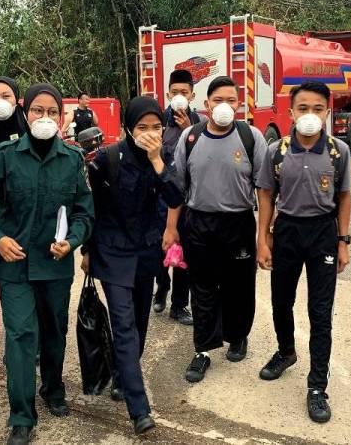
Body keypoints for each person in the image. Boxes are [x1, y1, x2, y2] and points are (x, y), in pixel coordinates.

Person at [0, 83, 94, 445]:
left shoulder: (73, 159)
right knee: (19, 336)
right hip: (14, 266)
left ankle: (52, 386)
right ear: (25, 112)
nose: (44, 118)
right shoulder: (6, 155)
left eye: (52, 112)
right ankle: (21, 415)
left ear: (62, 117)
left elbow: (83, 211)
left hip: (55, 264)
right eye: (37, 111)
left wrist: (73, 241)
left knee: (53, 331)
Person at [82, 96, 183, 435]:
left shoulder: (164, 157)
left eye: (157, 127)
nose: (151, 133)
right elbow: (91, 208)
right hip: (112, 252)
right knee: (124, 325)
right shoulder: (107, 160)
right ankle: (139, 409)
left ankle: (124, 375)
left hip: (146, 252)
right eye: (143, 127)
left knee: (139, 324)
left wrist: (156, 160)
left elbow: (175, 198)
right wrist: (87, 251)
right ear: (129, 128)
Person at [256, 81, 351, 424]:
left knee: (320, 311)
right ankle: (285, 352)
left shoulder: (338, 150)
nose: (309, 115)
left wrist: (343, 241)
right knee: (281, 301)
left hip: (323, 233)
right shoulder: (276, 151)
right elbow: (266, 195)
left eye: (317, 109)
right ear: (291, 111)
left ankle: (316, 388)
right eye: (302, 108)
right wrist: (262, 239)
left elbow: (344, 197)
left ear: (327, 112)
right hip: (288, 232)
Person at [163, 76, 267, 383]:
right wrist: (171, 228)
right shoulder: (190, 137)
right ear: (206, 105)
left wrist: (263, 236)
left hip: (239, 223)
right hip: (200, 224)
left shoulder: (251, 137)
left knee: (239, 286)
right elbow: (177, 187)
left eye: (231, 100)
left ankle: (237, 336)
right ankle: (203, 350)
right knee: (203, 289)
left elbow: (263, 189)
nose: (224, 106)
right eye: (218, 100)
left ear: (239, 104)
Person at [153, 69, 205, 324]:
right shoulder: (157, 121)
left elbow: (204, 156)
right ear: (167, 94)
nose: (179, 97)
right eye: (175, 93)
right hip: (160, 199)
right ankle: (161, 287)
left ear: (192, 95)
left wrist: (190, 130)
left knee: (183, 252)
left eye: (184, 93)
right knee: (160, 249)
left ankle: (179, 305)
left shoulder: (200, 123)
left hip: (187, 199)